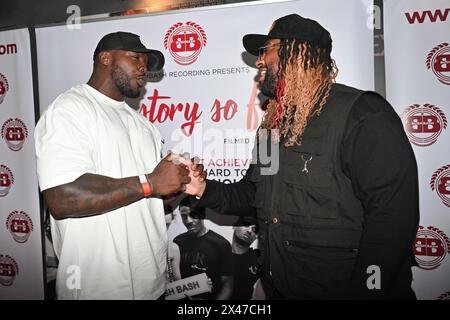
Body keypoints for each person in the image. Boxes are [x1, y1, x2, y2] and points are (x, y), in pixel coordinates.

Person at [188, 14, 420, 299]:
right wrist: (202, 188)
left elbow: (393, 218)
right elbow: (253, 194)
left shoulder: (362, 114)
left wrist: (368, 289)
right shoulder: (272, 125)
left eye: (266, 50)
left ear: (297, 53)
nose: (259, 61)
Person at [34, 31, 204, 299]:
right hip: (96, 288)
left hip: (153, 285)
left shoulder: (144, 125)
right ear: (105, 58)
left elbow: (152, 201)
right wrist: (150, 182)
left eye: (146, 64)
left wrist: (180, 184)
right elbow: (61, 198)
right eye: (135, 57)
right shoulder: (70, 110)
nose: (143, 68)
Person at [173, 198, 234, 300]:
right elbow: (173, 280)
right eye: (184, 217)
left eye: (193, 215)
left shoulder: (221, 244)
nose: (188, 221)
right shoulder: (177, 242)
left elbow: (227, 286)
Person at [230, 216, 260, 300]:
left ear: (255, 237)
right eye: (246, 225)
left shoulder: (260, 260)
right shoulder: (218, 256)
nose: (250, 231)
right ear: (234, 226)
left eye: (254, 230)